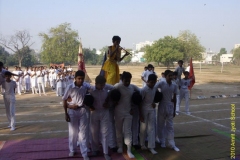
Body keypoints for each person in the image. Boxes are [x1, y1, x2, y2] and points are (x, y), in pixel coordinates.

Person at [62, 70, 91, 160]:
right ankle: (72, 149)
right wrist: (66, 113)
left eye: (82, 79)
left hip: (83, 110)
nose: (80, 80)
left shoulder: (86, 86)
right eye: (79, 79)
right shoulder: (70, 87)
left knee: (83, 133)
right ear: (75, 78)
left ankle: (84, 153)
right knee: (73, 132)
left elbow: (94, 89)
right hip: (72, 111)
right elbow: (64, 99)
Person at [113, 71, 140, 158]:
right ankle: (120, 146)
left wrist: (133, 107)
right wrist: (113, 102)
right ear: (122, 80)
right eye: (126, 81)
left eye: (129, 81)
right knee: (119, 130)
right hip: (118, 112)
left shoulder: (132, 88)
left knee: (128, 131)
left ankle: (129, 149)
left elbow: (141, 92)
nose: (127, 83)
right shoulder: (118, 86)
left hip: (128, 113)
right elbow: (110, 94)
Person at [89, 75, 113, 160]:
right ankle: (95, 149)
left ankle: (106, 152)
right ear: (96, 84)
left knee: (105, 133)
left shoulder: (106, 87)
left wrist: (109, 101)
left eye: (103, 84)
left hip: (104, 112)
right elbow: (85, 99)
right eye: (100, 85)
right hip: (94, 112)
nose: (102, 87)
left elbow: (115, 90)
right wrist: (90, 106)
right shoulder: (91, 90)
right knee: (94, 132)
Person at [155, 70, 180, 152]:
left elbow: (175, 97)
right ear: (165, 76)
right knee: (160, 125)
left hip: (170, 106)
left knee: (170, 126)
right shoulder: (161, 83)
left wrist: (174, 110)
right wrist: (156, 98)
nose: (171, 77)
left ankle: (172, 144)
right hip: (162, 105)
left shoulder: (174, 85)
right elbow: (153, 88)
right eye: (169, 76)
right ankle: (162, 141)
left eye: (172, 76)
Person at [139, 74, 158, 154]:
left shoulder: (154, 89)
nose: (152, 84)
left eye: (154, 82)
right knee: (143, 129)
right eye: (151, 82)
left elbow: (152, 99)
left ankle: (151, 147)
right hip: (144, 110)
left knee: (151, 128)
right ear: (148, 81)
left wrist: (154, 103)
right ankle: (142, 144)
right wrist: (140, 115)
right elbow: (140, 102)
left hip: (152, 110)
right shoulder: (143, 90)